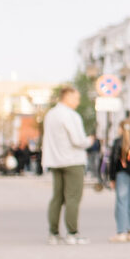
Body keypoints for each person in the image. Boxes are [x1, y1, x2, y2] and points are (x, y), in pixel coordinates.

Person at [43, 86, 93, 245]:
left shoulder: (50, 114)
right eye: (76, 98)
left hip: (55, 160)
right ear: (68, 97)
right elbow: (78, 140)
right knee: (73, 197)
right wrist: (89, 141)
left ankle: (53, 233)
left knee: (57, 197)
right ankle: (72, 233)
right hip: (72, 161)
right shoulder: (71, 115)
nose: (78, 102)